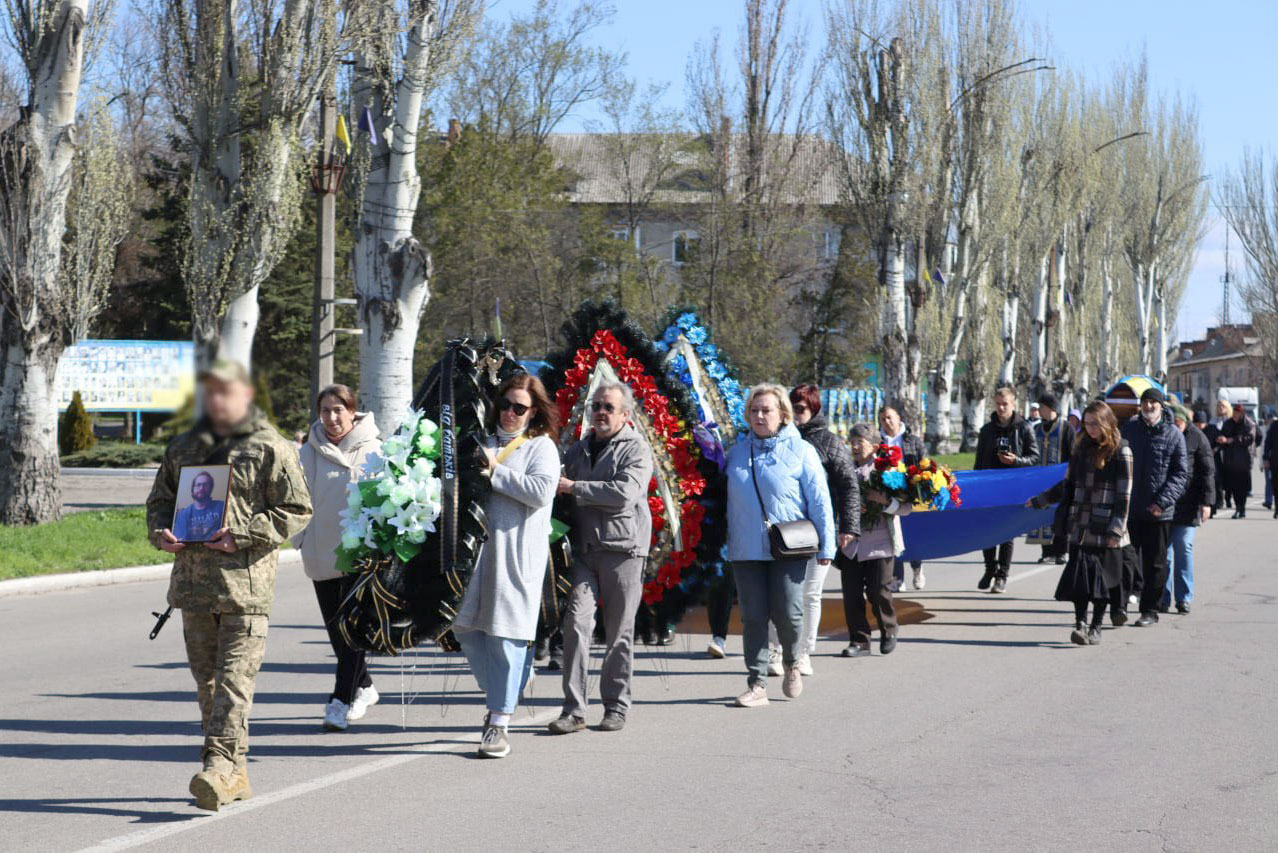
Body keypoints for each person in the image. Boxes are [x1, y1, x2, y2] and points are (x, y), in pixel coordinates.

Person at [145, 359, 312, 811]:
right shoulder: (183, 447)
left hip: (245, 589)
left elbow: (297, 508)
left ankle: (217, 765)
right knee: (209, 684)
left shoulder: (269, 445)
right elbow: (159, 502)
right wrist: (161, 533)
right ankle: (234, 773)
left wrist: (244, 533)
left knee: (236, 681)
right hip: (194, 588)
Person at [453, 374, 560, 758]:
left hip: (514, 555)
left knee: (503, 634)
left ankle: (498, 723)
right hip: (474, 554)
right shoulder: (478, 441)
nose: (511, 413)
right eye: (506, 405)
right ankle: (512, 682)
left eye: (520, 408)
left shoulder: (540, 447)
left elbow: (542, 491)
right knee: (463, 626)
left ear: (534, 413)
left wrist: (495, 470)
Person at [549, 382, 654, 735]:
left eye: (609, 407)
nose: (601, 412)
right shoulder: (578, 450)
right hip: (584, 552)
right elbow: (556, 489)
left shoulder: (636, 448)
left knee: (619, 633)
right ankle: (574, 710)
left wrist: (575, 488)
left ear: (625, 415)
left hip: (624, 550)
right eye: (596, 406)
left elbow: (624, 494)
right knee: (576, 626)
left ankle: (615, 706)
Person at [724, 384, 834, 708]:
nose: (759, 416)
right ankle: (756, 683)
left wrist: (827, 546)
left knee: (788, 612)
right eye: (754, 410)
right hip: (745, 549)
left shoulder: (802, 451)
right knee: (753, 617)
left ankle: (792, 661)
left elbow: (820, 501)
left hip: (788, 547)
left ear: (783, 414)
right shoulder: (737, 453)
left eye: (766, 410)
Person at [294, 384, 381, 733]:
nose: (332, 418)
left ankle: (340, 701)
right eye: (325, 411)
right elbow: (294, 496)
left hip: (359, 557)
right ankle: (365, 686)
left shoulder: (374, 448)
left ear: (352, 411)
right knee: (336, 634)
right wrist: (301, 538)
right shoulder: (308, 452)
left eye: (338, 410)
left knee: (353, 632)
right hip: (321, 553)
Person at [1028, 402, 1132, 645]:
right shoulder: (1080, 448)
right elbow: (1068, 485)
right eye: (1087, 424)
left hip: (1105, 526)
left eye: (1095, 423)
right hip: (1080, 524)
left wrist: (1117, 529)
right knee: (1079, 580)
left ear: (1106, 422)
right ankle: (1080, 623)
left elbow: (1124, 494)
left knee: (1101, 582)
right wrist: (1041, 500)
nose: (1090, 429)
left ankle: (1096, 627)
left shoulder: (1121, 450)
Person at [784, 384, 860, 676]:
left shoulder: (829, 442)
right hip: (785, 529)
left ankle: (804, 653)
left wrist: (848, 527)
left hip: (819, 529)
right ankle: (777, 648)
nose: (795, 414)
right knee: (782, 594)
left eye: (800, 409)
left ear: (813, 409)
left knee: (810, 594)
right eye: (791, 408)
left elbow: (848, 485)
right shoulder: (781, 439)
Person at [1120, 387, 1188, 627]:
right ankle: (1119, 606)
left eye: (1153, 403)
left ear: (1161, 406)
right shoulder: (1129, 430)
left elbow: (1180, 474)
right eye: (1145, 402)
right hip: (1129, 509)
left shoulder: (1173, 435)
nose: (1149, 406)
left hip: (1158, 512)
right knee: (1124, 559)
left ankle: (1149, 610)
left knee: (1155, 563)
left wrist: (1161, 502)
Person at [842, 423, 910, 657]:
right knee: (851, 593)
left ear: (873, 445)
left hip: (881, 541)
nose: (854, 446)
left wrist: (883, 501)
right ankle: (859, 641)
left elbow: (906, 508)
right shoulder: (845, 470)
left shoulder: (888, 471)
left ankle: (889, 630)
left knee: (878, 590)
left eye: (859, 441)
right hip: (851, 542)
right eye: (852, 441)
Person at [974, 386, 1040, 592]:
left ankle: (1002, 575)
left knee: (1007, 533)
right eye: (998, 404)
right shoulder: (987, 430)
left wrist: (1016, 461)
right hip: (989, 487)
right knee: (986, 531)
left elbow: (1035, 458)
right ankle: (989, 568)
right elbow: (978, 461)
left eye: (1005, 404)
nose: (1001, 408)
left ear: (1013, 405)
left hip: (1012, 488)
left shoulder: (1024, 428)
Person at [1161, 403, 1214, 616]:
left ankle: (1183, 598)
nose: (1176, 426)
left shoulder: (1198, 438)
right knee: (1165, 553)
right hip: (1166, 503)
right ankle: (1162, 598)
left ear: (1186, 421)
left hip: (1189, 504)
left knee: (1183, 546)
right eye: (1173, 422)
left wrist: (1207, 502)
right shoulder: (1164, 434)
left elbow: (1207, 472)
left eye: (1179, 423)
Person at [879, 405, 926, 590]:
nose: (887, 421)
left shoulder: (912, 440)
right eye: (883, 419)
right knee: (893, 533)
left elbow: (925, 462)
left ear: (899, 417)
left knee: (912, 534)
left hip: (911, 493)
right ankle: (898, 577)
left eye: (890, 417)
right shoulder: (879, 442)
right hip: (889, 494)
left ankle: (917, 567)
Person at [1031, 393, 1075, 565]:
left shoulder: (1066, 428)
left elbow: (1072, 454)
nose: (1039, 410)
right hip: (1040, 482)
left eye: (1041, 407)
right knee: (1042, 517)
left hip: (1060, 481)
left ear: (1050, 408)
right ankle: (1046, 552)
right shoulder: (1035, 429)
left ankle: (1062, 551)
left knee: (1060, 515)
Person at [1217, 404, 1256, 518]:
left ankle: (1242, 509)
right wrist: (1221, 438)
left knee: (1242, 487)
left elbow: (1250, 438)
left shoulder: (1249, 424)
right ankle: (1237, 508)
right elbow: (1222, 433)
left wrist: (1232, 440)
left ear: (1242, 413)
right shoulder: (1228, 423)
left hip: (1243, 461)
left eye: (1238, 413)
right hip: (1230, 461)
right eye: (1234, 413)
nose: (1235, 415)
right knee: (1233, 487)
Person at [172, 470, 226, 542]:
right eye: (198, 485)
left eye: (205, 485)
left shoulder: (222, 507)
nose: (201, 488)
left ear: (211, 488)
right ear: (193, 489)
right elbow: (179, 540)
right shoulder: (183, 514)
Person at [1203, 399, 1231, 513]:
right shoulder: (1213, 421)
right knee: (1217, 477)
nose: (1220, 408)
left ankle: (1228, 497)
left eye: (1223, 406)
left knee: (1229, 477)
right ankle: (1219, 499)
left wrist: (1226, 440)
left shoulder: (1230, 421)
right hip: (1215, 453)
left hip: (1228, 452)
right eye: (1219, 405)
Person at [1264, 416, 1278, 519]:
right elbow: (1267, 442)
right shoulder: (1274, 425)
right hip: (1275, 462)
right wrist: (1265, 458)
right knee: (1275, 486)